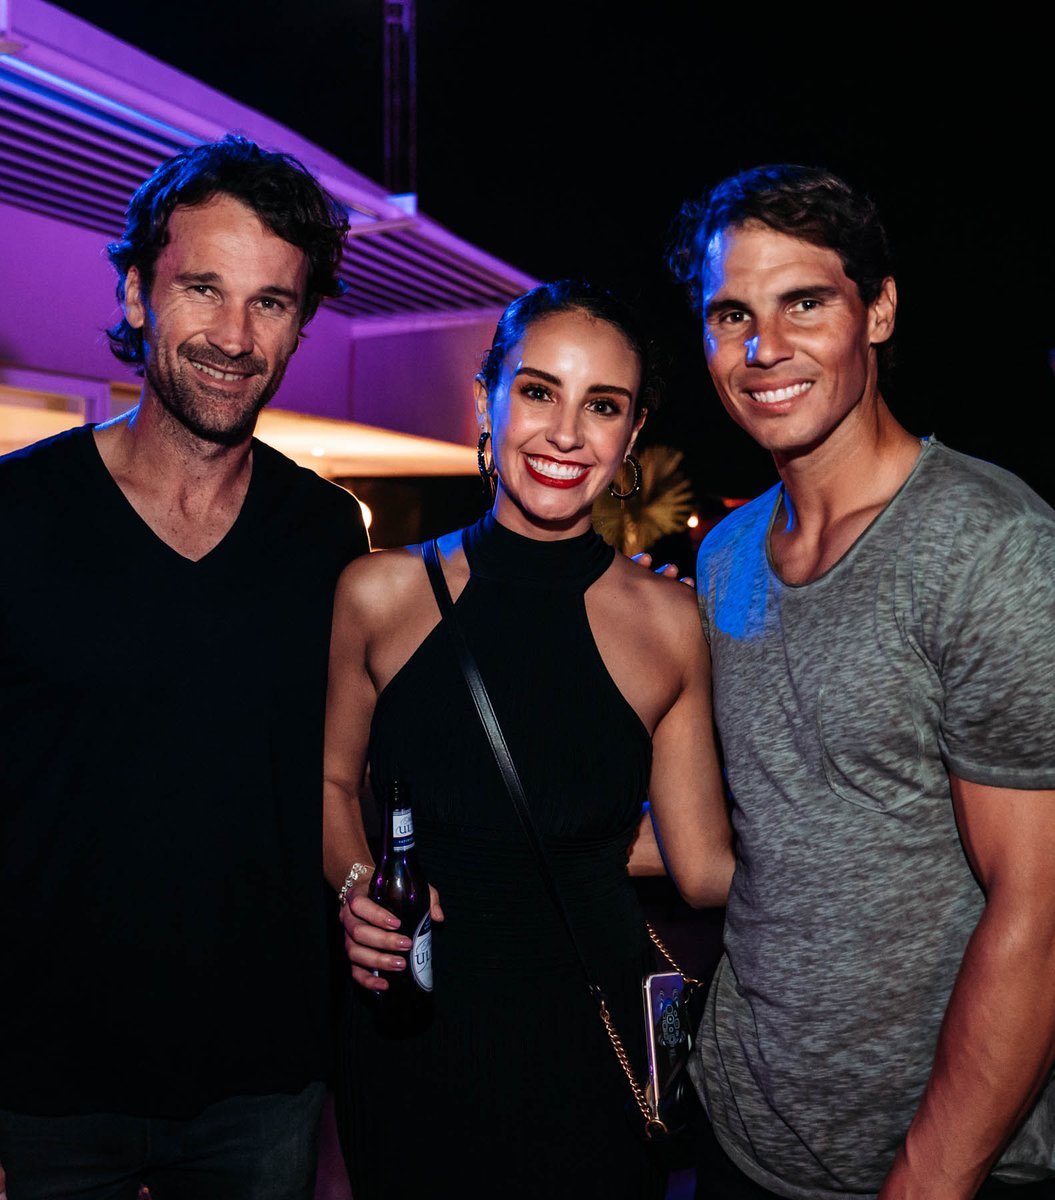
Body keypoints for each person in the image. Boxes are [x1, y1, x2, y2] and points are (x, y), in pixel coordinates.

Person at [667, 164, 1055, 1199]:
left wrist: (926, 1178)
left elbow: (1039, 913)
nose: (762, 348)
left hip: (928, 1161)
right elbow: (763, 831)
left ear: (877, 311)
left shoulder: (992, 549)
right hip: (739, 1135)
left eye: (803, 303)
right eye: (730, 315)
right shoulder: (726, 556)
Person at [0, 135, 368, 1198]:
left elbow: (344, 772)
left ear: (300, 323)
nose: (234, 337)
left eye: (271, 302)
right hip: (44, 1081)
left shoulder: (327, 535)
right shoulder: (15, 513)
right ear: (136, 290)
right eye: (203, 288)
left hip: (262, 1085)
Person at [323, 280, 735, 1199]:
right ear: (486, 401)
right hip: (413, 1040)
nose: (565, 433)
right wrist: (356, 885)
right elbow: (330, 783)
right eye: (539, 390)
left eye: (603, 406)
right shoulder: (379, 594)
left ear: (631, 436)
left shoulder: (670, 622)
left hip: (592, 1051)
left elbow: (703, 866)